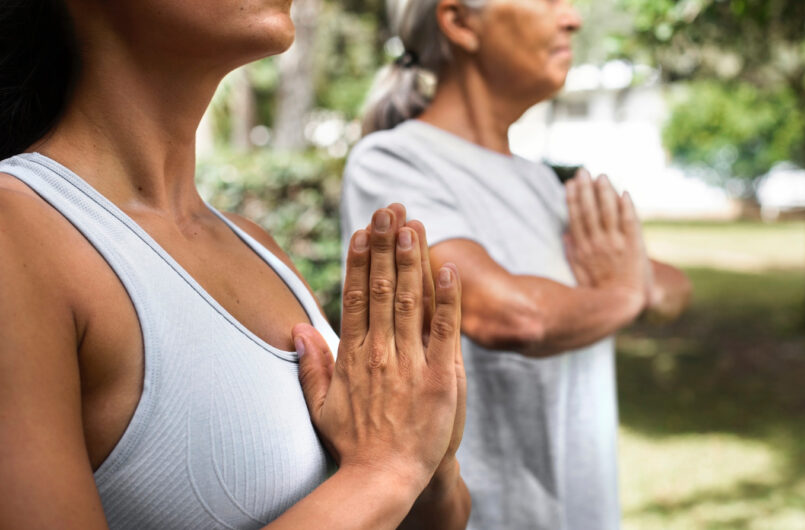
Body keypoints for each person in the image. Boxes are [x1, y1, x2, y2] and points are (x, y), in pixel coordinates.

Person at [0, 0, 471, 528]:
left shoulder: (256, 245)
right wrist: (388, 469)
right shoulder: (15, 233)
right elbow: (382, 480)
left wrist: (431, 460)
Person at [340, 0, 693, 527]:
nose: (571, 17)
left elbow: (673, 286)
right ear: (459, 22)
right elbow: (509, 316)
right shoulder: (395, 162)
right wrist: (622, 295)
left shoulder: (539, 183)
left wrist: (626, 289)